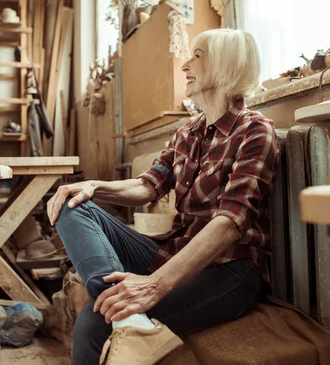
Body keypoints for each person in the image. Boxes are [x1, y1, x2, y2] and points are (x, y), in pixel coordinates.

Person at [47, 28, 279, 365]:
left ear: (228, 64)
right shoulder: (188, 132)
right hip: (176, 251)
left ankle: (124, 318)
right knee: (71, 203)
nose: (185, 65)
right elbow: (148, 186)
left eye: (197, 55)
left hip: (230, 272)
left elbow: (230, 225)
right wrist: (94, 187)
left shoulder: (255, 131)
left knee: (94, 324)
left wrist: (153, 285)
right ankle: (129, 320)